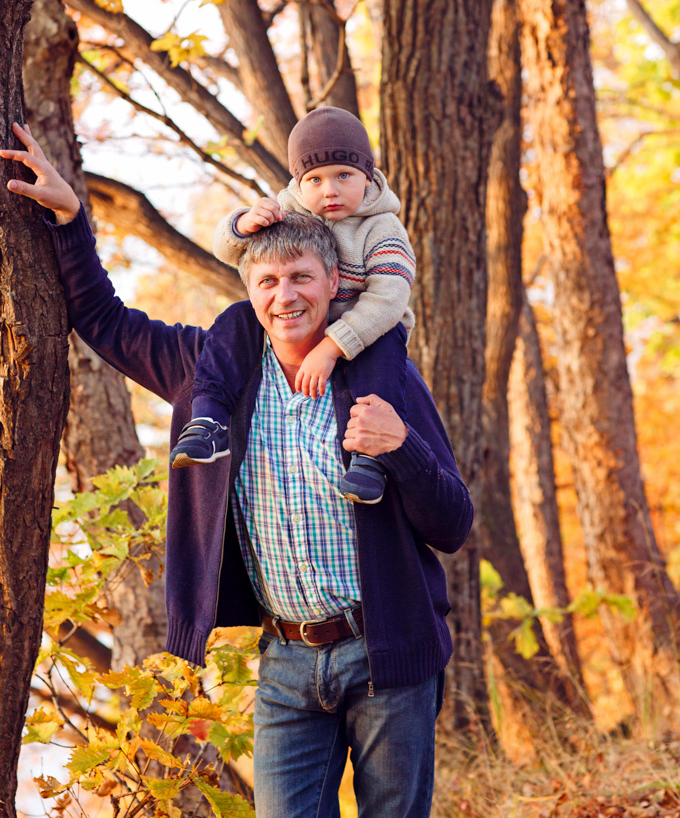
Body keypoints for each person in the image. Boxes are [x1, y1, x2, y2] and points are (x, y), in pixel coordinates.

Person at [3, 122, 473, 818]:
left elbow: (454, 525)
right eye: (268, 281)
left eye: (301, 278)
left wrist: (401, 446)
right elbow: (105, 321)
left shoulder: (387, 378)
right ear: (249, 289)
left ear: (334, 282)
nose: (286, 296)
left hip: (390, 653)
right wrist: (70, 218)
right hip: (286, 664)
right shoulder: (211, 371)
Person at [170, 106, 416, 507]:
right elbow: (227, 251)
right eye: (315, 179)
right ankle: (209, 420)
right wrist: (243, 223)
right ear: (299, 183)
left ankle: (369, 460)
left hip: (370, 327)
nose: (329, 191)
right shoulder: (291, 208)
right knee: (236, 318)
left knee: (383, 361)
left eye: (344, 176)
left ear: (368, 176)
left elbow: (389, 298)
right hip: (310, 325)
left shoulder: (382, 227)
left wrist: (331, 347)